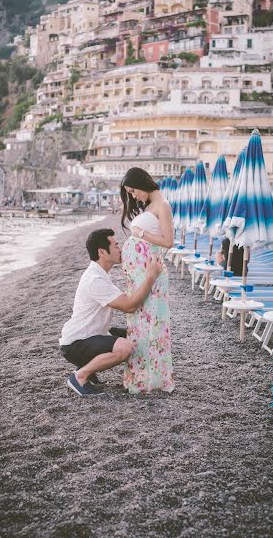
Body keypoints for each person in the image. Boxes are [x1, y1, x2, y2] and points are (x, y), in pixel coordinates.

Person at [60, 228, 163, 397]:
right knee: (125, 348)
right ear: (102, 251)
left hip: (90, 335)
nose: (120, 249)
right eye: (115, 245)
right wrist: (150, 276)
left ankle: (87, 367)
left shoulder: (100, 274)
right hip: (76, 343)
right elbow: (129, 306)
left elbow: (127, 300)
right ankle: (79, 377)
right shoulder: (95, 280)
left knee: (135, 335)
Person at [120, 167, 175, 395]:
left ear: (143, 183)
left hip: (151, 272)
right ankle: (141, 375)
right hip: (140, 273)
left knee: (151, 324)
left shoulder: (163, 205)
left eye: (133, 191)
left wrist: (140, 234)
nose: (133, 196)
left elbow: (169, 242)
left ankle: (153, 379)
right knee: (138, 323)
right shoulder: (152, 206)